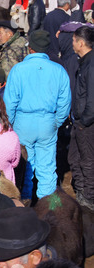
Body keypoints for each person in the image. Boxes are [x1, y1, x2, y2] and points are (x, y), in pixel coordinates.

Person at [3, 29, 71, 202]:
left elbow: (10, 102)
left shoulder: (18, 70)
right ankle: (48, 207)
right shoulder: (59, 70)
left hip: (22, 122)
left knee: (25, 165)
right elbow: (65, 101)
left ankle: (25, 202)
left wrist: (10, 124)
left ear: (30, 48)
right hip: (48, 122)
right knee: (47, 168)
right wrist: (57, 121)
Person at [67, 25, 94, 210]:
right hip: (80, 121)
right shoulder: (83, 62)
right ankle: (82, 192)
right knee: (74, 158)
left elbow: (92, 97)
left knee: (87, 160)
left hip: (86, 123)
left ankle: (88, 198)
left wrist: (84, 121)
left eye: (74, 40)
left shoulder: (90, 65)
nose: (72, 43)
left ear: (81, 42)